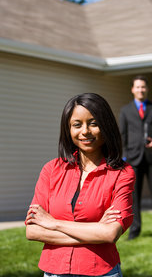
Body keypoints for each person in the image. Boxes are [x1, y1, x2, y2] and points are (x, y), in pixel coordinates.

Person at [25, 93, 135, 277]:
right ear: (68, 129)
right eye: (77, 124)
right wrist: (95, 230)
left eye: (93, 123)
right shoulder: (51, 170)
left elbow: (109, 234)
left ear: (106, 125)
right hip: (54, 271)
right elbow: (33, 230)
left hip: (101, 271)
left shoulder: (122, 173)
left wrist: (53, 224)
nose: (85, 131)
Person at [119, 75, 152, 240]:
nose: (140, 90)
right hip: (133, 159)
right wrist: (124, 157)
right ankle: (134, 230)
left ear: (147, 89)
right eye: (137, 87)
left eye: (143, 87)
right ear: (132, 90)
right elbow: (123, 135)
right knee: (134, 198)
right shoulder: (125, 111)